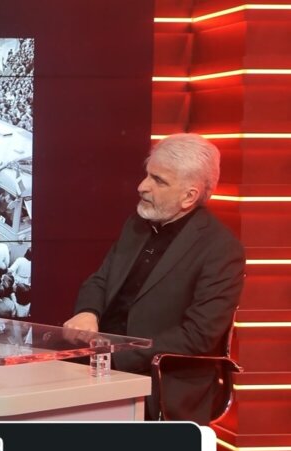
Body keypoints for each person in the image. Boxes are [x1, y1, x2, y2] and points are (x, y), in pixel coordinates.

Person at [63, 133, 245, 423]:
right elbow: (101, 280)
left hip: (160, 378)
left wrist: (118, 356)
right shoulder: (137, 224)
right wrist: (88, 312)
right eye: (147, 174)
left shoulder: (221, 249)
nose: (142, 186)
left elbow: (198, 336)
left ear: (189, 196)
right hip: (101, 364)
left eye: (158, 181)